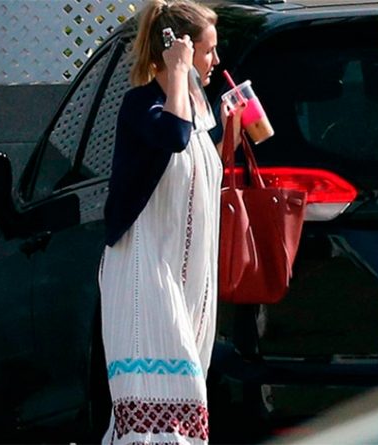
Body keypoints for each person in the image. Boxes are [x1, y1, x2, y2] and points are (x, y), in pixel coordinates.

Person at [98, 0, 244, 443]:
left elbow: (196, 174)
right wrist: (177, 71)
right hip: (146, 269)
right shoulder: (143, 105)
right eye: (207, 50)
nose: (215, 61)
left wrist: (231, 134)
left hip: (189, 276)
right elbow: (172, 137)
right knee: (168, 388)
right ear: (179, 48)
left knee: (185, 389)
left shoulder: (198, 112)